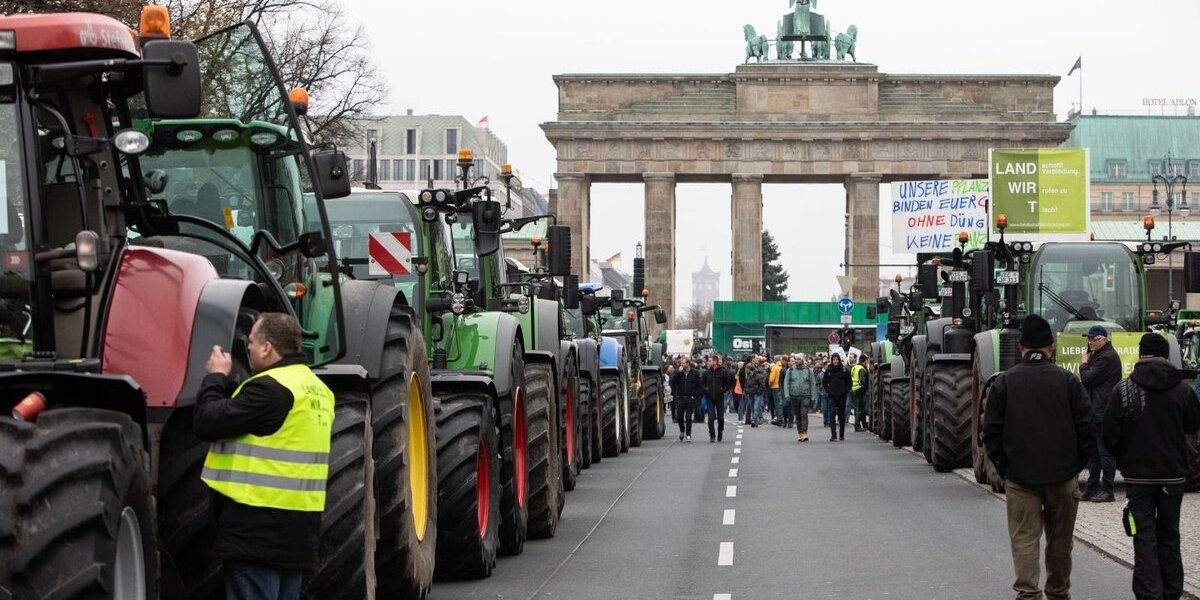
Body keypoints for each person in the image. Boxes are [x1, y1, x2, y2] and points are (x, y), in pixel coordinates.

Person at [194, 312, 335, 600]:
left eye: (252, 344)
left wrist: (215, 377)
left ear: (267, 347)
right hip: (298, 534)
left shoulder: (269, 389)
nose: (248, 350)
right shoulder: (318, 390)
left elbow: (206, 422)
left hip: (257, 534)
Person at [983, 314, 1094, 600]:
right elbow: (1087, 428)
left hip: (1020, 477)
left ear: (1021, 348)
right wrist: (1074, 465)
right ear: (1051, 347)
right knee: (1060, 540)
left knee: (1024, 539)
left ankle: (1028, 593)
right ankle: (1058, 592)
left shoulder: (1004, 383)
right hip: (1062, 476)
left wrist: (1006, 467)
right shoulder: (1068, 381)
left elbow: (990, 433)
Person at [1102, 333, 1200, 600]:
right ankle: (1171, 592)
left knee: (1142, 536)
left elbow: (1109, 434)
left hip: (1138, 481)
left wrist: (1126, 459)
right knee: (1170, 535)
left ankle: (1149, 594)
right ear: (1167, 355)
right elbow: (1193, 426)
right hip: (1173, 479)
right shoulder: (1183, 390)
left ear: (1140, 353)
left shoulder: (1123, 389)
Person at [1078, 325, 1120, 503]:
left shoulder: (1107, 357)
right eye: (1088, 339)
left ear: (1103, 339)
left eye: (1093, 339)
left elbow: (1087, 379)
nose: (1090, 342)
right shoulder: (1100, 355)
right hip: (1096, 410)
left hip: (1103, 411)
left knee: (1105, 452)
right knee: (1094, 453)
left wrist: (1083, 363)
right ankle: (1091, 488)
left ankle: (1107, 490)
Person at [784, 354, 818, 442]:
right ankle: (800, 433)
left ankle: (804, 432)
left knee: (804, 414)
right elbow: (786, 384)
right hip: (794, 396)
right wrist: (787, 395)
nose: (796, 361)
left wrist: (813, 397)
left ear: (802, 360)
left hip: (805, 396)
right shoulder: (790, 370)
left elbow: (813, 384)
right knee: (798, 416)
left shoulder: (808, 370)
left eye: (798, 359)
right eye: (796, 359)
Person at [701, 355, 734, 442]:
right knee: (711, 417)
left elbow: (728, 383)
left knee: (721, 418)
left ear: (715, 362)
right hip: (709, 398)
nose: (708, 362)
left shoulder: (723, 372)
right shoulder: (706, 373)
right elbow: (702, 384)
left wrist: (722, 390)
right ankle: (712, 435)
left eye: (710, 361)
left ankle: (720, 431)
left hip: (719, 398)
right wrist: (706, 389)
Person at [669, 356, 702, 441]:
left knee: (688, 417)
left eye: (683, 363)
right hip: (680, 397)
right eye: (681, 363)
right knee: (679, 417)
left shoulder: (694, 373)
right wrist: (677, 373)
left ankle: (688, 434)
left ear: (688, 364)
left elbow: (699, 386)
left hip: (689, 398)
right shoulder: (678, 372)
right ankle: (682, 431)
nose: (681, 364)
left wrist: (694, 396)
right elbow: (672, 381)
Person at [743, 356, 768, 427]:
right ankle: (755, 420)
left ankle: (754, 420)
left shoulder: (758, 375)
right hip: (750, 393)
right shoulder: (749, 376)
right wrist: (746, 390)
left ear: (749, 369)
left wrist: (759, 391)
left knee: (756, 407)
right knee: (753, 407)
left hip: (756, 393)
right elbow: (746, 384)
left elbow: (762, 385)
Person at [849, 353, 869, 432]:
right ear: (865, 361)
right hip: (859, 390)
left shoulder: (854, 367)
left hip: (853, 389)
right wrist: (864, 388)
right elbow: (862, 381)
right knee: (860, 409)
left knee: (858, 408)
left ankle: (863, 424)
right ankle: (857, 426)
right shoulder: (861, 369)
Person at [768, 356, 785, 425]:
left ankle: (779, 418)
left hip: (775, 387)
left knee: (777, 404)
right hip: (781, 386)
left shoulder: (774, 367)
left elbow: (771, 379)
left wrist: (770, 384)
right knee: (781, 403)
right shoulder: (782, 367)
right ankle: (782, 417)